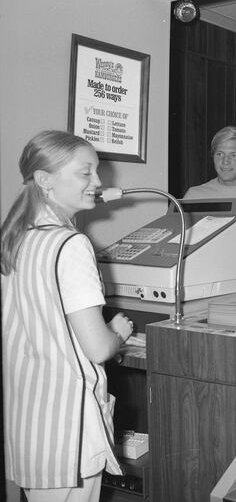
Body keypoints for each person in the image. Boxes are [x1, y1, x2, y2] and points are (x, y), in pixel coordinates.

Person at [1, 130, 134, 501]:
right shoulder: (71, 244)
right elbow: (97, 348)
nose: (98, 182)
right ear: (45, 180)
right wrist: (117, 331)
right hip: (69, 428)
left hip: (31, 422)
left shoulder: (16, 238)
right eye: (85, 172)